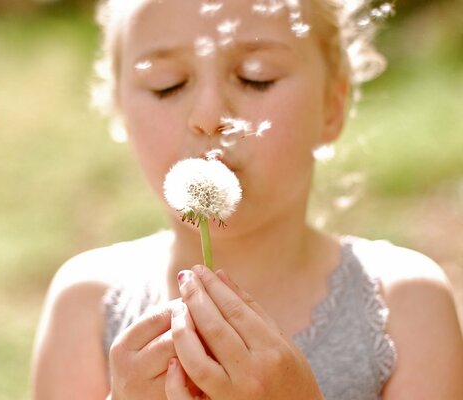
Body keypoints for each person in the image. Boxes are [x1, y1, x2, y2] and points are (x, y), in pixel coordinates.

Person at [31, 0, 463, 398]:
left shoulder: (405, 307)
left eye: (257, 77)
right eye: (168, 85)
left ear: (333, 105)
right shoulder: (84, 305)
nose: (207, 117)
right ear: (120, 111)